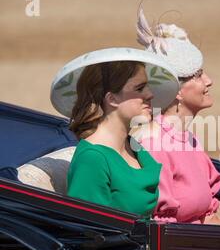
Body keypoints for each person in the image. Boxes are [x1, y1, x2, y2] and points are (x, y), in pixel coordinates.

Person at [50, 48, 179, 219]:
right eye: (139, 88)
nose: (150, 94)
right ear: (111, 99)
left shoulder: (132, 146)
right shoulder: (93, 158)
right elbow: (90, 232)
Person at [134, 8, 220, 224]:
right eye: (199, 76)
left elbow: (208, 213)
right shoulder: (154, 145)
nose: (209, 81)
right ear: (176, 91)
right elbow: (162, 233)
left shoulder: (187, 137)